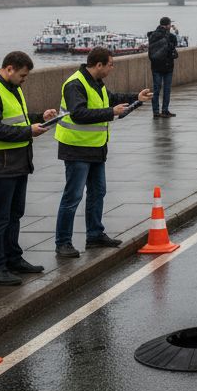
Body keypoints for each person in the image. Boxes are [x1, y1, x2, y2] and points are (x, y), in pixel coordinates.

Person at [54, 47, 152, 258]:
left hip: (96, 148)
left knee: (98, 192)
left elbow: (113, 98)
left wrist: (137, 97)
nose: (112, 68)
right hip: (76, 149)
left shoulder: (96, 82)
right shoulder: (75, 84)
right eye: (110, 64)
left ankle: (95, 235)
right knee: (73, 197)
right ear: (98, 65)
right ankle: (63, 243)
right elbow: (79, 114)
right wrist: (110, 112)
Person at [0, 51, 57, 286]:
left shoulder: (12, 87)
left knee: (14, 215)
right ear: (9, 69)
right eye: (22, 75)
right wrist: (29, 131)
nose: (24, 80)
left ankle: (13, 259)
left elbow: (16, 120)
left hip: (17, 161)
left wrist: (40, 117)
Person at [147, 16, 178, 118]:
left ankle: (156, 112)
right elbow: (174, 46)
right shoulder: (170, 36)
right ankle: (165, 110)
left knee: (156, 89)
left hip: (156, 66)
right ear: (168, 25)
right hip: (167, 66)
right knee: (166, 89)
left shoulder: (152, 36)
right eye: (169, 24)